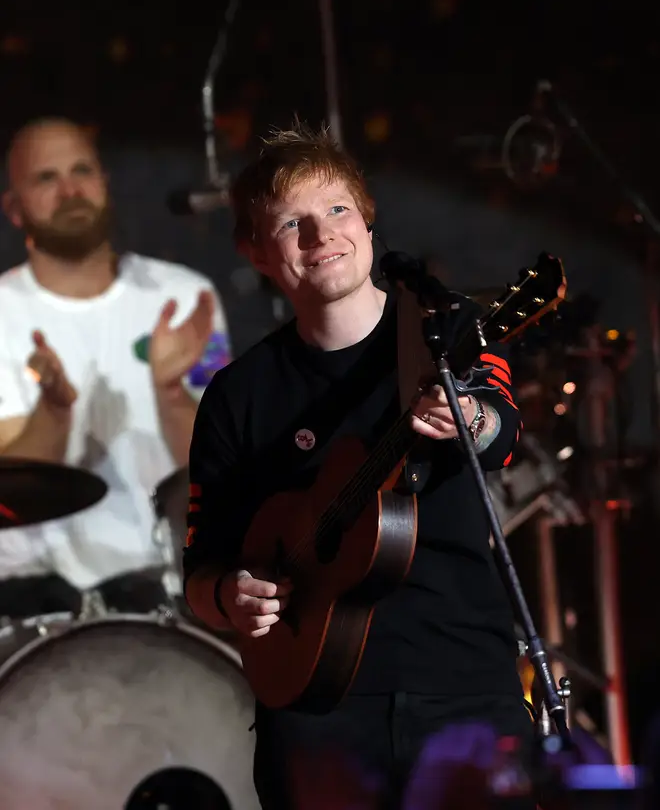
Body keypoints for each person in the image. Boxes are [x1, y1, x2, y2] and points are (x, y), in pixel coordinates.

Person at [184, 125, 533, 809]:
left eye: (338, 209)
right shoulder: (238, 394)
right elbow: (200, 571)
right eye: (292, 222)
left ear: (369, 223)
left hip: (462, 688)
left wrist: (475, 421)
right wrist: (232, 597)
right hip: (317, 711)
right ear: (255, 251)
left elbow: (502, 433)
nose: (322, 235)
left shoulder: (447, 334)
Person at [0, 118, 231, 618]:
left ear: (104, 182)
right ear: (14, 209)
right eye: (46, 178)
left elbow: (220, 470)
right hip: (31, 607)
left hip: (166, 593)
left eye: (82, 169)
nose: (70, 188)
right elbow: (11, 488)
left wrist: (171, 393)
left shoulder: (186, 297)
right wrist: (55, 411)